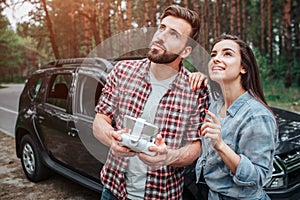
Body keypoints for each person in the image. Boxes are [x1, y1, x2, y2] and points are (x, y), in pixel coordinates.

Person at [93, 5, 210, 200]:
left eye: (173, 34)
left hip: (163, 195)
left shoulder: (195, 90)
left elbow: (196, 147)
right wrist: (111, 138)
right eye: (161, 28)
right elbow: (99, 120)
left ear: (186, 50)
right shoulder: (122, 72)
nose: (161, 36)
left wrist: (168, 157)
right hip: (113, 191)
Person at [189, 34, 278, 199]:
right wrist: (198, 76)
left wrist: (220, 145)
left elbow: (258, 178)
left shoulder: (256, 115)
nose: (216, 58)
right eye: (213, 54)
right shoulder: (216, 102)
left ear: (243, 67)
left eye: (227, 54)